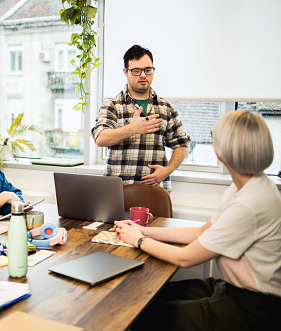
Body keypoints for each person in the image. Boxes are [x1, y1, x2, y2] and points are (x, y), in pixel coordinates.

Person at [114, 110, 281, 330]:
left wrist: (138, 241)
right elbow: (202, 232)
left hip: (253, 307)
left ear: (223, 150)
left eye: (214, 136)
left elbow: (185, 258)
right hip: (231, 288)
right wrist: (142, 230)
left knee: (144, 316)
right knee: (152, 297)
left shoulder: (249, 203)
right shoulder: (245, 185)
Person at [91, 44, 190, 192]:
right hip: (118, 192)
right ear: (125, 72)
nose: (143, 75)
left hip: (155, 192)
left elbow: (181, 144)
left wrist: (166, 171)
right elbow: (100, 138)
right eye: (136, 70)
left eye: (147, 70)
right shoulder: (112, 105)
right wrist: (132, 129)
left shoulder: (165, 107)